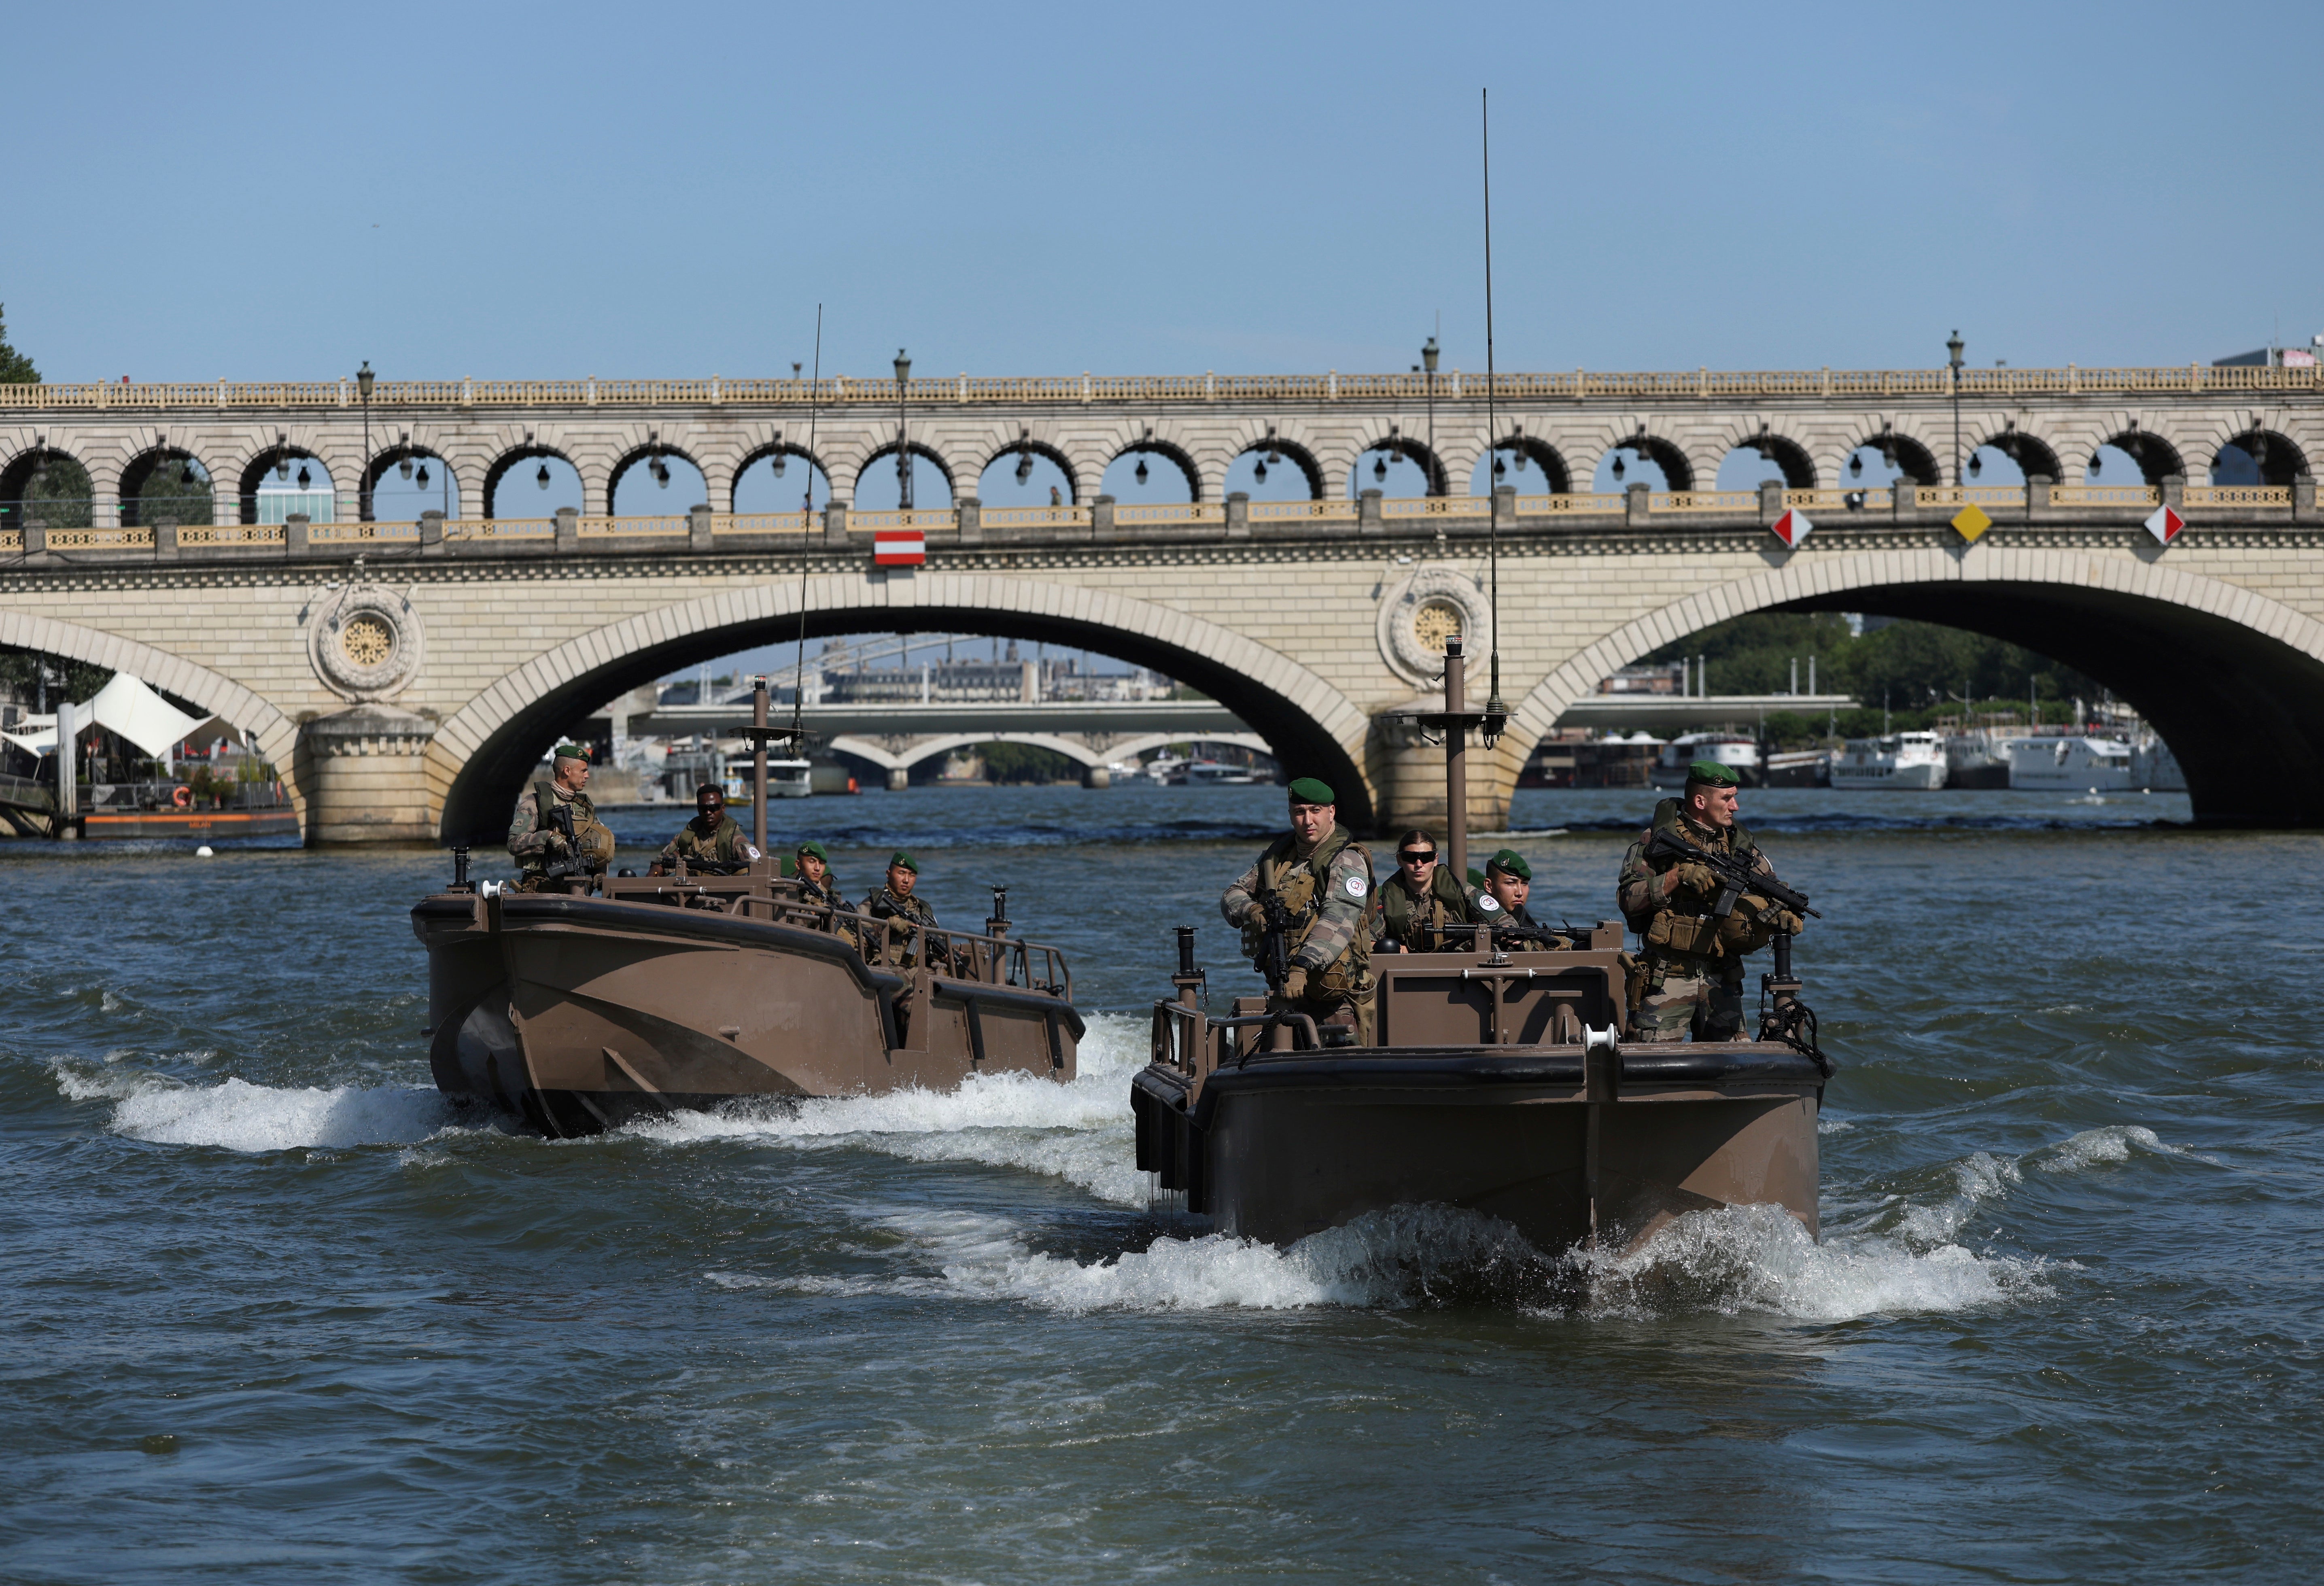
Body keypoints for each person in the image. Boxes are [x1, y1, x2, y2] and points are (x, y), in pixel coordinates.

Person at [1615, 759, 1802, 1043]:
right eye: (1727, 798)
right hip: (1667, 977)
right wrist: (1677, 877)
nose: (1735, 806)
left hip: (1721, 978)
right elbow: (1627, 899)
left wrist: (1781, 913)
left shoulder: (1740, 847)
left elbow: (1773, 888)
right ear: (1700, 801)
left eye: (1735, 797)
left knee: (1733, 1066)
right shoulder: (1658, 841)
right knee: (1649, 1067)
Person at [1220, 777, 1377, 1043]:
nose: (1308, 821)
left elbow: (1339, 918)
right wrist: (1253, 910)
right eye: (1300, 812)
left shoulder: (1347, 859)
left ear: (1331, 812)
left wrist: (1302, 968)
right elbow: (1231, 894)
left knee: (1338, 1070)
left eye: (1315, 811)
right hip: (1285, 988)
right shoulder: (1280, 857)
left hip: (1333, 995)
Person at [507, 742, 615, 885]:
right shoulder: (536, 803)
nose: (588, 776)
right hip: (543, 890)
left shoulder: (584, 808)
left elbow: (599, 847)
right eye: (583, 771)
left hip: (578, 890)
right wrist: (547, 837)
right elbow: (513, 843)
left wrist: (600, 874)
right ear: (567, 771)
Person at [1373, 828, 1490, 953]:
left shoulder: (1461, 891)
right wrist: (1395, 949)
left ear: (1435, 860)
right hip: (1411, 967)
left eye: (1426, 857)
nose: (1419, 864)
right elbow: (1368, 939)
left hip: (1460, 963)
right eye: (1411, 858)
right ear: (1400, 860)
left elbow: (1502, 920)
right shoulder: (1387, 901)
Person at [649, 783, 760, 875]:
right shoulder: (688, 837)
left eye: (714, 808)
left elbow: (757, 868)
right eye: (704, 809)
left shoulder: (735, 839)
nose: (708, 813)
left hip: (722, 895)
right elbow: (662, 862)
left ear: (723, 809)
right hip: (690, 894)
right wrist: (655, 873)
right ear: (698, 810)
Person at [862, 851, 947, 970]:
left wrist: (944, 954)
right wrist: (888, 925)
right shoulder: (871, 904)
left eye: (912, 875)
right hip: (882, 969)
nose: (906, 880)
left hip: (914, 970)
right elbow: (858, 941)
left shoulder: (923, 909)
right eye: (902, 873)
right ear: (888, 874)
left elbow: (934, 940)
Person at [793, 839, 840, 905]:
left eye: (822, 863)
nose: (818, 868)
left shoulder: (829, 896)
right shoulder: (790, 890)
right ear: (798, 864)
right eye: (812, 862)